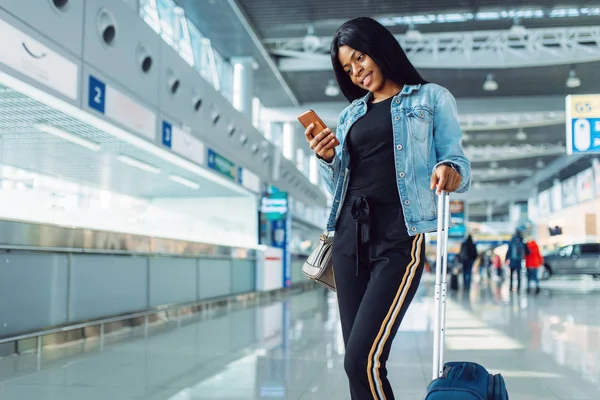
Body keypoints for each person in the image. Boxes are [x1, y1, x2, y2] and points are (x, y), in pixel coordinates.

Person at [304, 17, 471, 400]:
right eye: (348, 68)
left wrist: (448, 169)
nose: (357, 72)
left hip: (399, 236)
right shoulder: (351, 115)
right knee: (356, 362)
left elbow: (458, 161)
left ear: (380, 48)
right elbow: (339, 187)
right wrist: (328, 158)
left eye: (360, 58)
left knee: (361, 359)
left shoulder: (431, 99)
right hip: (348, 239)